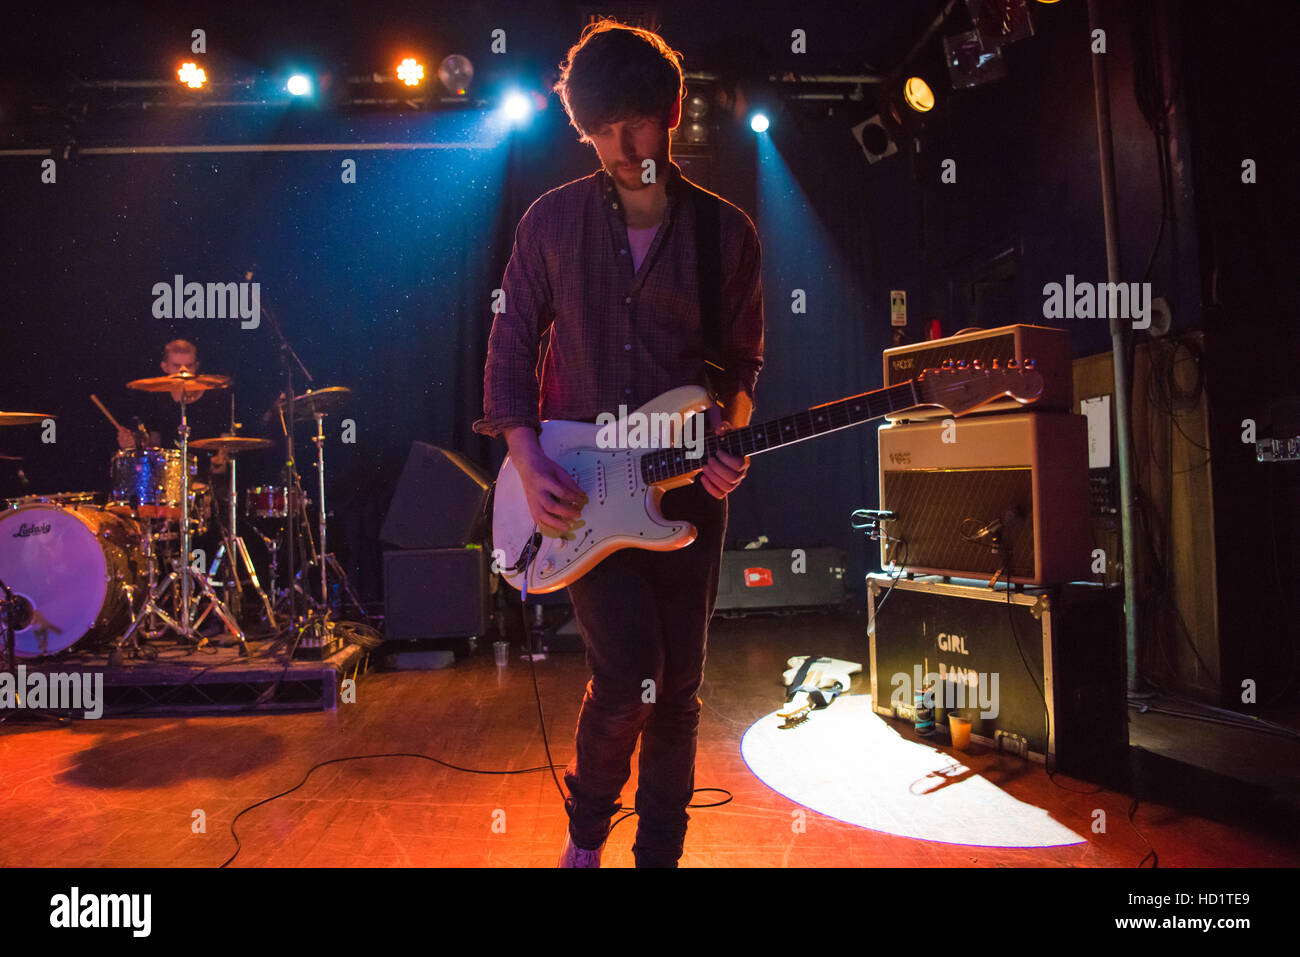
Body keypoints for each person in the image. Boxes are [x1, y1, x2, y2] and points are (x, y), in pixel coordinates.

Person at [473, 20, 764, 868]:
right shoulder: (550, 223)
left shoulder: (727, 234)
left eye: (632, 125)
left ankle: (659, 859)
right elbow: (508, 347)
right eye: (600, 132)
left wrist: (732, 433)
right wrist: (527, 462)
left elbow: (741, 362)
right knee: (630, 674)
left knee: (678, 693)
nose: (618, 147)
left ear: (671, 111)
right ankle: (586, 836)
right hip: (577, 489)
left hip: (685, 493)